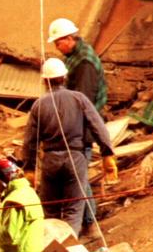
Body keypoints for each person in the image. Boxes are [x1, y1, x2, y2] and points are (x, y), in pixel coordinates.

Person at [20, 57, 117, 237]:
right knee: (73, 211)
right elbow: (98, 127)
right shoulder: (78, 98)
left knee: (50, 212)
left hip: (50, 161)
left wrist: (29, 168)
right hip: (76, 159)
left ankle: (51, 251)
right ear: (64, 77)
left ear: (44, 80)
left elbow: (30, 141)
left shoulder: (38, 105)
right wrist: (107, 154)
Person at [47, 18, 109, 233]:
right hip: (76, 130)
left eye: (58, 43)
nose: (57, 47)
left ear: (70, 39)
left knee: (78, 179)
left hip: (80, 132)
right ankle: (87, 224)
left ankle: (90, 226)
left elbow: (84, 104)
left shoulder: (84, 65)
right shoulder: (75, 57)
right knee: (78, 178)